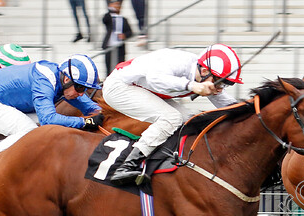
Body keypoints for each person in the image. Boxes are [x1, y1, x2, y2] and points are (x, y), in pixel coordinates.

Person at [104, 44, 243, 185]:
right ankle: (126, 166)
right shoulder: (179, 62)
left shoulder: (204, 76)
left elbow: (229, 106)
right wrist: (192, 86)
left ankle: (161, 160)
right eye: (221, 83)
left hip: (143, 89)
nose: (220, 89)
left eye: (226, 85)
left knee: (189, 121)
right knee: (172, 118)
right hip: (119, 87)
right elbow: (155, 79)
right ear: (204, 70)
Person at [0, 54, 103, 154]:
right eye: (80, 88)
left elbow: (90, 107)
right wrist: (85, 122)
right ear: (67, 79)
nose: (81, 93)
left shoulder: (63, 80)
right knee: (29, 130)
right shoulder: (45, 81)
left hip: (7, 101)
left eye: (85, 90)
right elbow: (48, 120)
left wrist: (102, 115)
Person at [102, 0, 133, 78]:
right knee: (108, 65)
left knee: (120, 65)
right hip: (109, 45)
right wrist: (111, 9)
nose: (117, 7)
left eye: (118, 5)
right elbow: (105, 20)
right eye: (115, 5)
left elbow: (130, 32)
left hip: (119, 46)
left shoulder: (123, 19)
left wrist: (124, 35)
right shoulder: (109, 17)